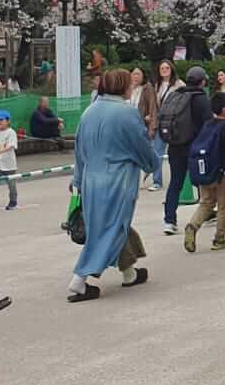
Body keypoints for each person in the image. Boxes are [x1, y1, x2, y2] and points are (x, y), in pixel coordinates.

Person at [68, 69, 159, 302]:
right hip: (117, 179)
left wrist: (77, 179)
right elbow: (141, 144)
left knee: (109, 226)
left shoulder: (89, 111)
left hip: (91, 178)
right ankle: (79, 279)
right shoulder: (126, 113)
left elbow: (78, 149)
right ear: (123, 86)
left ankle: (129, 273)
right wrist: (152, 164)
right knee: (112, 227)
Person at [184, 91, 225, 254]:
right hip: (222, 172)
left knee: (206, 202)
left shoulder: (208, 124)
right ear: (224, 109)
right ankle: (219, 239)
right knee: (224, 204)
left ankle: (193, 225)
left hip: (205, 169)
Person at [159, 66, 211, 234]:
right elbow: (208, 123)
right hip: (195, 146)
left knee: (176, 182)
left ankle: (169, 220)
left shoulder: (176, 94)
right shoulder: (200, 98)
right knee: (205, 180)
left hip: (174, 145)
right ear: (202, 81)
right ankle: (207, 211)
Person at [130, 67, 160, 190]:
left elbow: (153, 106)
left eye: (138, 74)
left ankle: (157, 180)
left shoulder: (147, 88)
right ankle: (135, 180)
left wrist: (152, 125)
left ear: (143, 76)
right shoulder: (129, 88)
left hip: (144, 126)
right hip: (131, 127)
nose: (135, 76)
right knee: (134, 155)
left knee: (152, 152)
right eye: (133, 74)